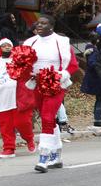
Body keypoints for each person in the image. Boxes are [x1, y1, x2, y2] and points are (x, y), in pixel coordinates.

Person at [23, 14, 79, 172]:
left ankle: (44, 156)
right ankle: (57, 154)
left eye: (43, 23)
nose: (39, 25)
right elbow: (23, 64)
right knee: (47, 118)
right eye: (38, 23)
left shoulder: (61, 42)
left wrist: (61, 76)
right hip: (37, 83)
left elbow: (73, 65)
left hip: (56, 84)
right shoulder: (30, 42)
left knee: (47, 116)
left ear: (51, 27)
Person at [81, 28, 101, 128]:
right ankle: (98, 119)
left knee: (100, 98)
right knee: (100, 98)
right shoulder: (93, 50)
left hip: (95, 78)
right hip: (96, 79)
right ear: (97, 40)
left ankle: (98, 118)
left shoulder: (90, 49)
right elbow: (92, 64)